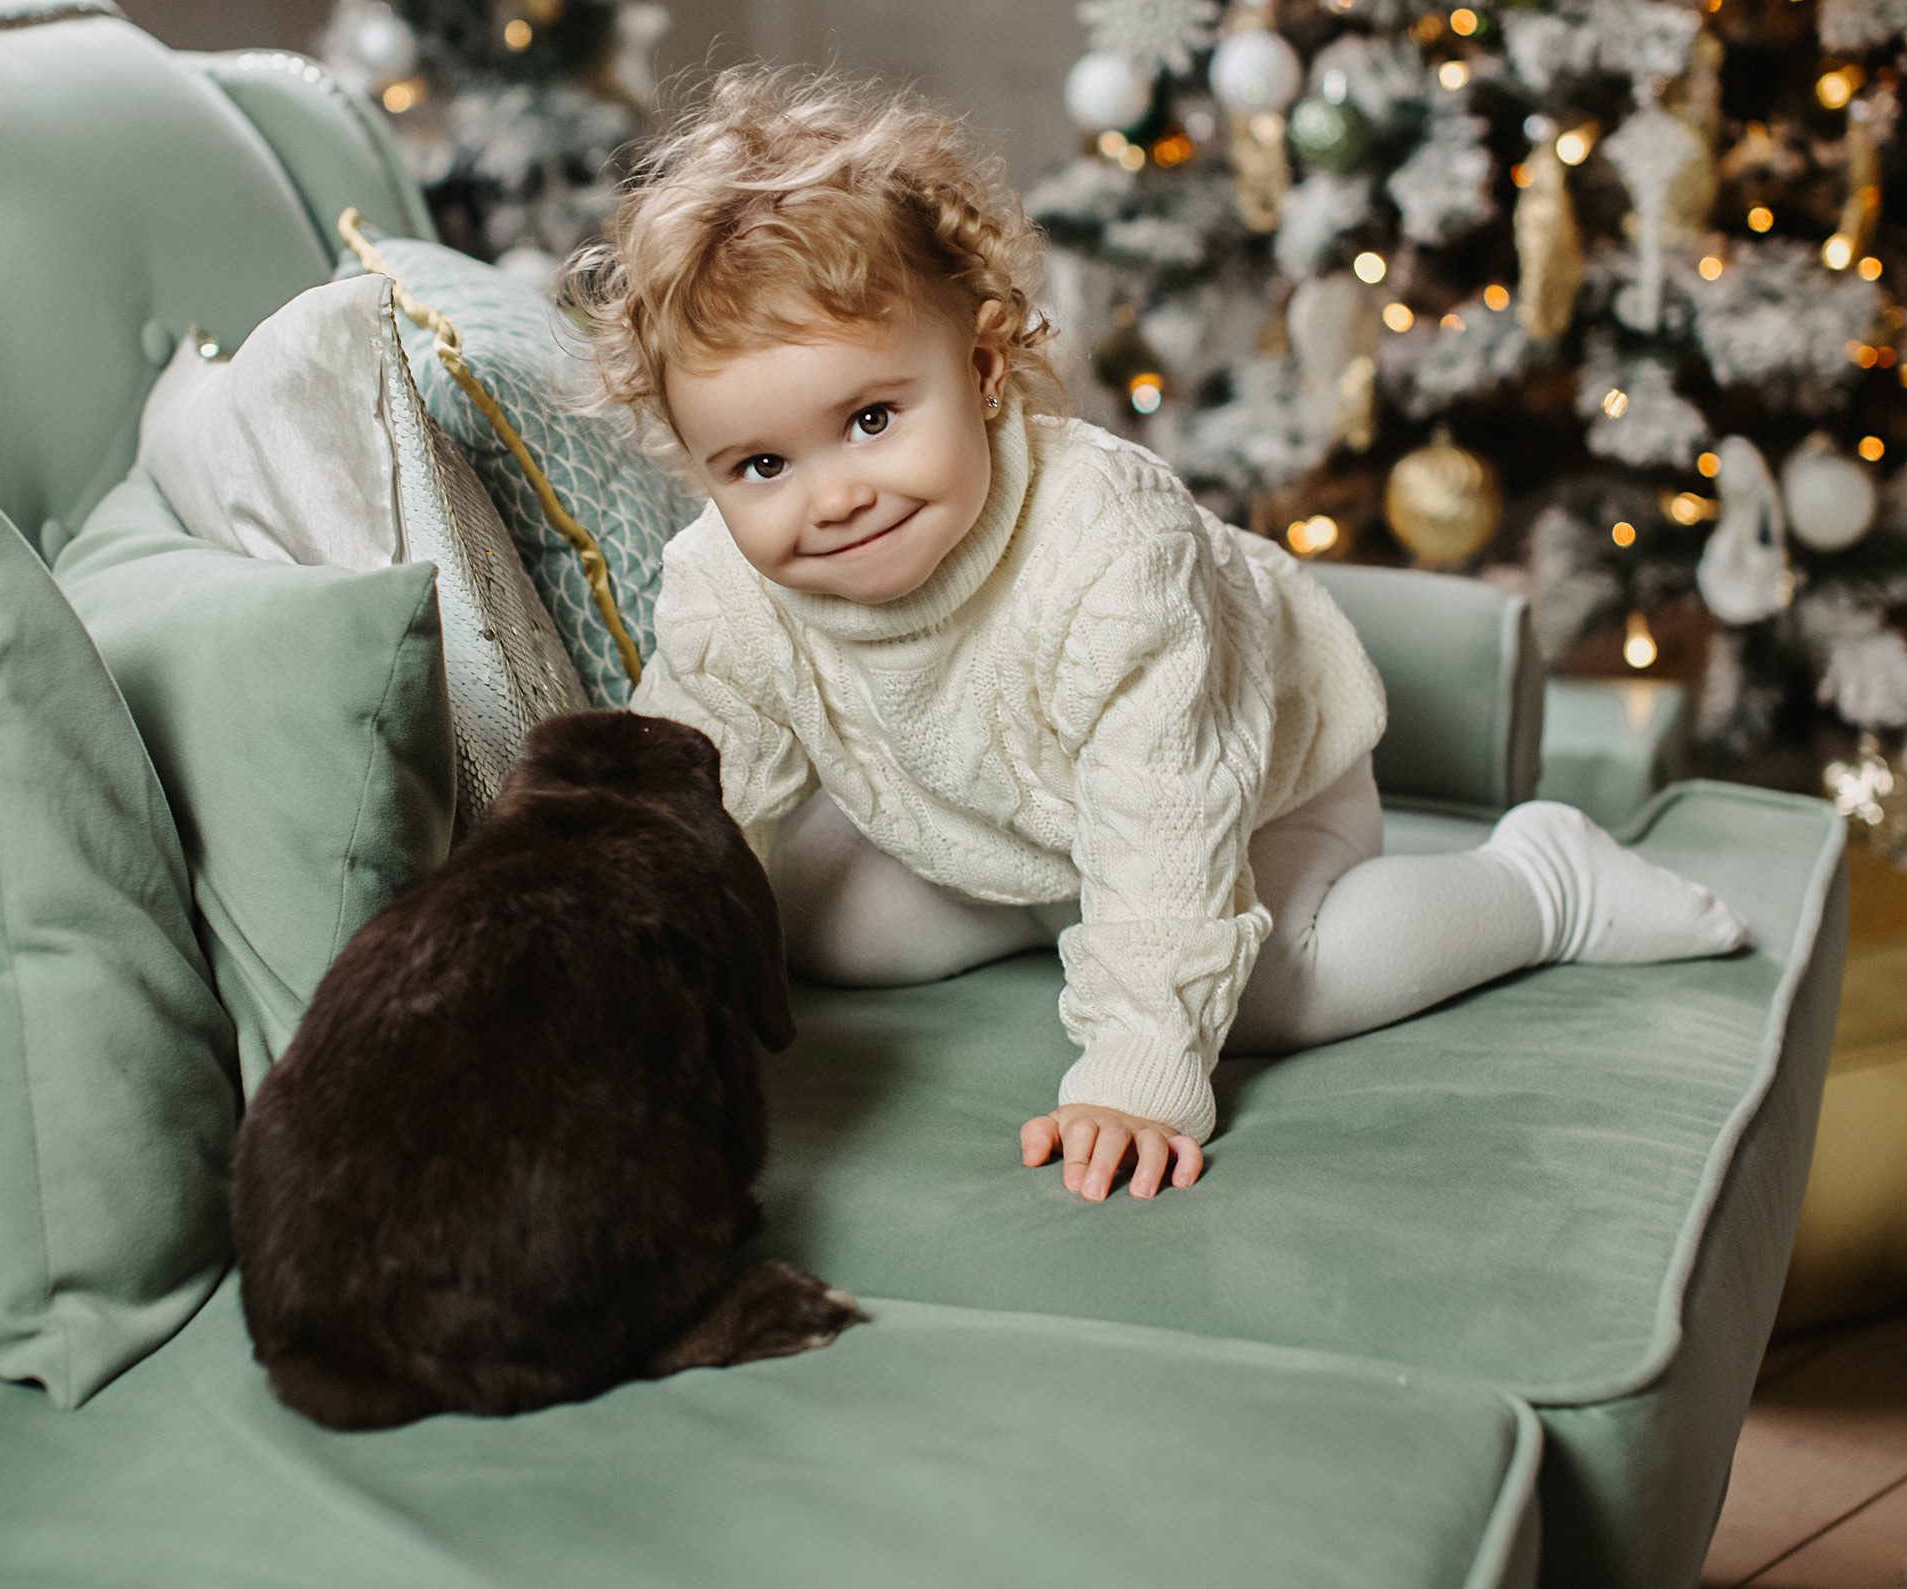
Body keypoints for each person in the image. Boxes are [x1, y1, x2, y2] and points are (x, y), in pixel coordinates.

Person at [570, 66, 1748, 1207]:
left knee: (1276, 990)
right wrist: (619, 1010)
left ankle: (1543, 883)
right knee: (810, 932)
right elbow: (690, 800)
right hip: (999, 826)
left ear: (982, 369)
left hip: (1248, 790)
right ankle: (1061, 925)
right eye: (762, 464)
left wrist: (1136, 1067)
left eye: (871, 418)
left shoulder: (1106, 547)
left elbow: (1165, 815)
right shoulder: (725, 584)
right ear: (701, 464)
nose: (830, 497)